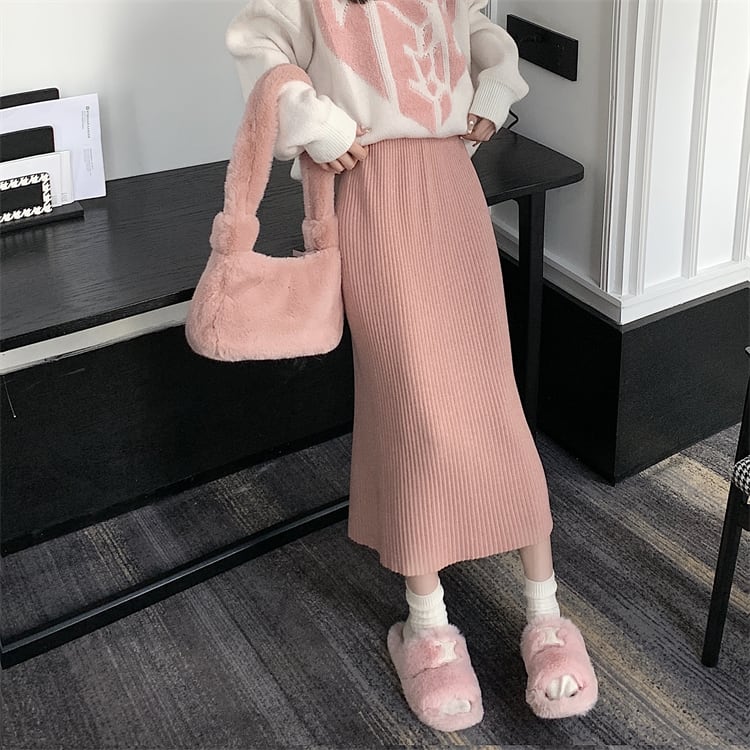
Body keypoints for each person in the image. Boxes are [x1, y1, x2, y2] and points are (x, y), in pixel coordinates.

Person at [225, 0, 598, 732]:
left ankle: (546, 612)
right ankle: (428, 624)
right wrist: (318, 124)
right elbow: (261, 48)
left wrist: (494, 88)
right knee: (412, 405)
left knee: (493, 398)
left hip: (449, 181)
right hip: (368, 185)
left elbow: (476, 26)